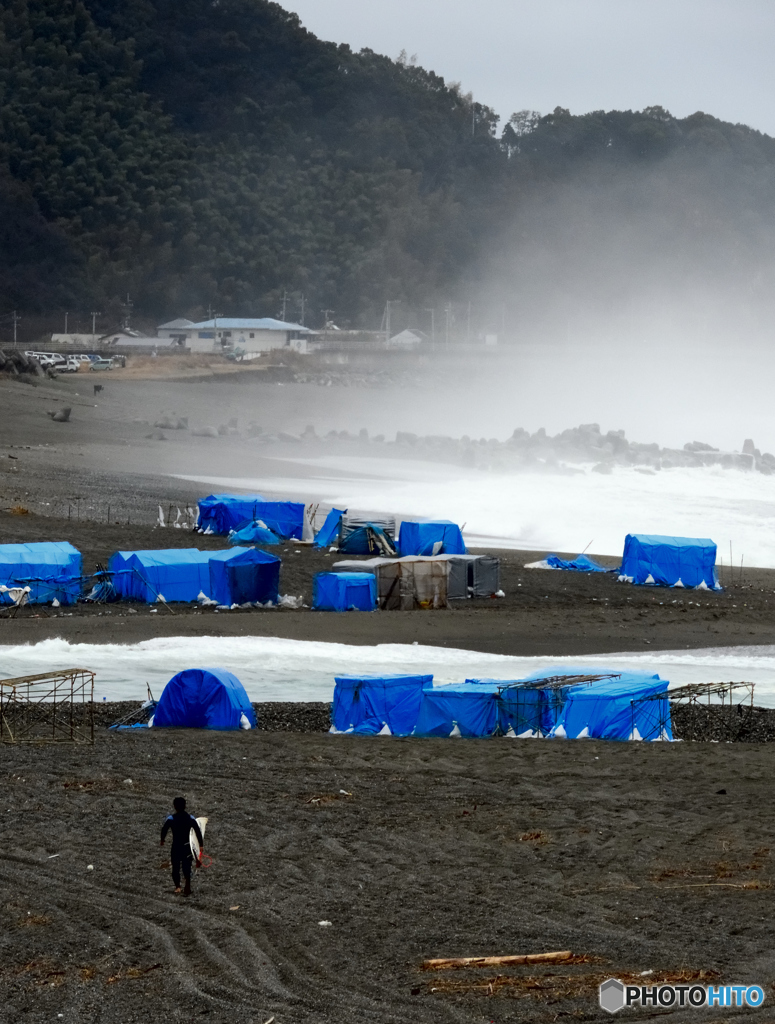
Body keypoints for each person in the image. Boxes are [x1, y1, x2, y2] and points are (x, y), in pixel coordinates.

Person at [160, 796, 204, 897]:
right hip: (187, 846)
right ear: (185, 806)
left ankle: (178, 887)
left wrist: (162, 840)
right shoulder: (191, 818)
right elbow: (198, 832)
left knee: (175, 867)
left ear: (175, 806)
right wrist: (201, 845)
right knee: (186, 866)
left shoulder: (171, 819)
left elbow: (164, 830)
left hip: (176, 846)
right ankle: (187, 886)